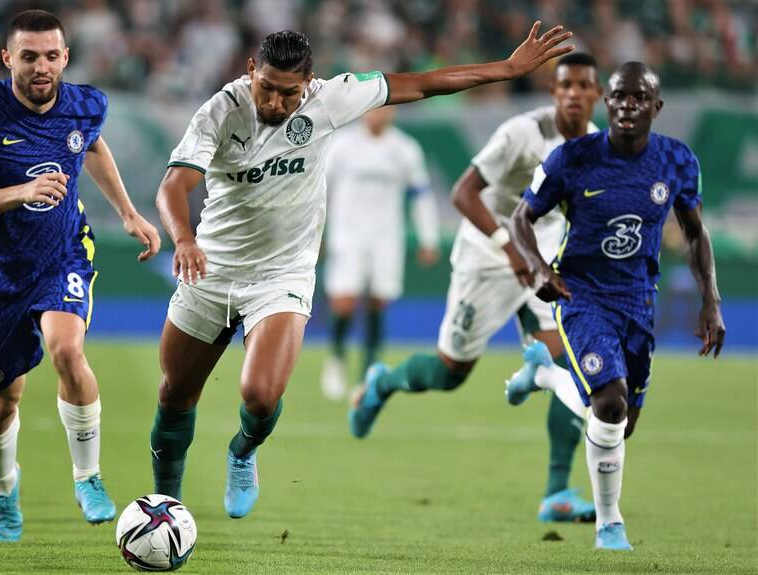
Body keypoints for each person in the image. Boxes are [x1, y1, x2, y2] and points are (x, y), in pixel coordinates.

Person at [151, 23, 574, 519]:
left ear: (310, 83)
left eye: (289, 93)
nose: (275, 103)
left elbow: (422, 83)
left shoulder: (331, 100)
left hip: (281, 275)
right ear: (251, 71)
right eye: (266, 88)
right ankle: (166, 505)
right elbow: (173, 187)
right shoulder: (221, 112)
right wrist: (183, 239)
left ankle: (243, 452)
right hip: (212, 266)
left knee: (261, 396)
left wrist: (506, 69)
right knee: (175, 393)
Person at [350, 52, 603, 523]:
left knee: (570, 366)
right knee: (451, 372)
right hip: (489, 257)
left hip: (543, 262)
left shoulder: (595, 146)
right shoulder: (521, 133)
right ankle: (382, 383)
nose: (573, 94)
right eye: (564, 86)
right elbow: (462, 193)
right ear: (553, 92)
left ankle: (557, 492)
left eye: (583, 86)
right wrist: (510, 248)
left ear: (596, 95)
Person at [0, 10, 161, 542]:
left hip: (63, 255)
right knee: (2, 399)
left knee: (68, 351)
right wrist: (20, 192)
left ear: (65, 57)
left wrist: (127, 211)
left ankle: (88, 479)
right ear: (8, 58)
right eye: (30, 56)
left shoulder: (86, 104)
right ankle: (4, 489)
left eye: (52, 56)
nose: (42, 67)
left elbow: (94, 144)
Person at [509, 61, 725, 550]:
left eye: (639, 97)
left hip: (637, 299)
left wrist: (710, 300)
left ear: (657, 106)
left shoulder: (677, 162)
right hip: (581, 293)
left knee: (619, 426)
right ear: (607, 104)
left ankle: (544, 374)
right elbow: (522, 219)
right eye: (619, 97)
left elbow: (694, 232)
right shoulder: (573, 159)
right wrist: (540, 269)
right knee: (609, 402)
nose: (628, 105)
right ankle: (610, 524)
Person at [320, 104, 439, 401]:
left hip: (387, 237)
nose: (379, 115)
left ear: (393, 113)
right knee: (344, 301)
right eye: (374, 109)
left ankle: (370, 369)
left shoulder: (404, 148)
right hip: (347, 235)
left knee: (378, 301)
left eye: (386, 110)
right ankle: (336, 359)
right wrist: (314, 232)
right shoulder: (342, 145)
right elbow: (319, 190)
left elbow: (421, 194)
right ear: (363, 111)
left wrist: (429, 238)